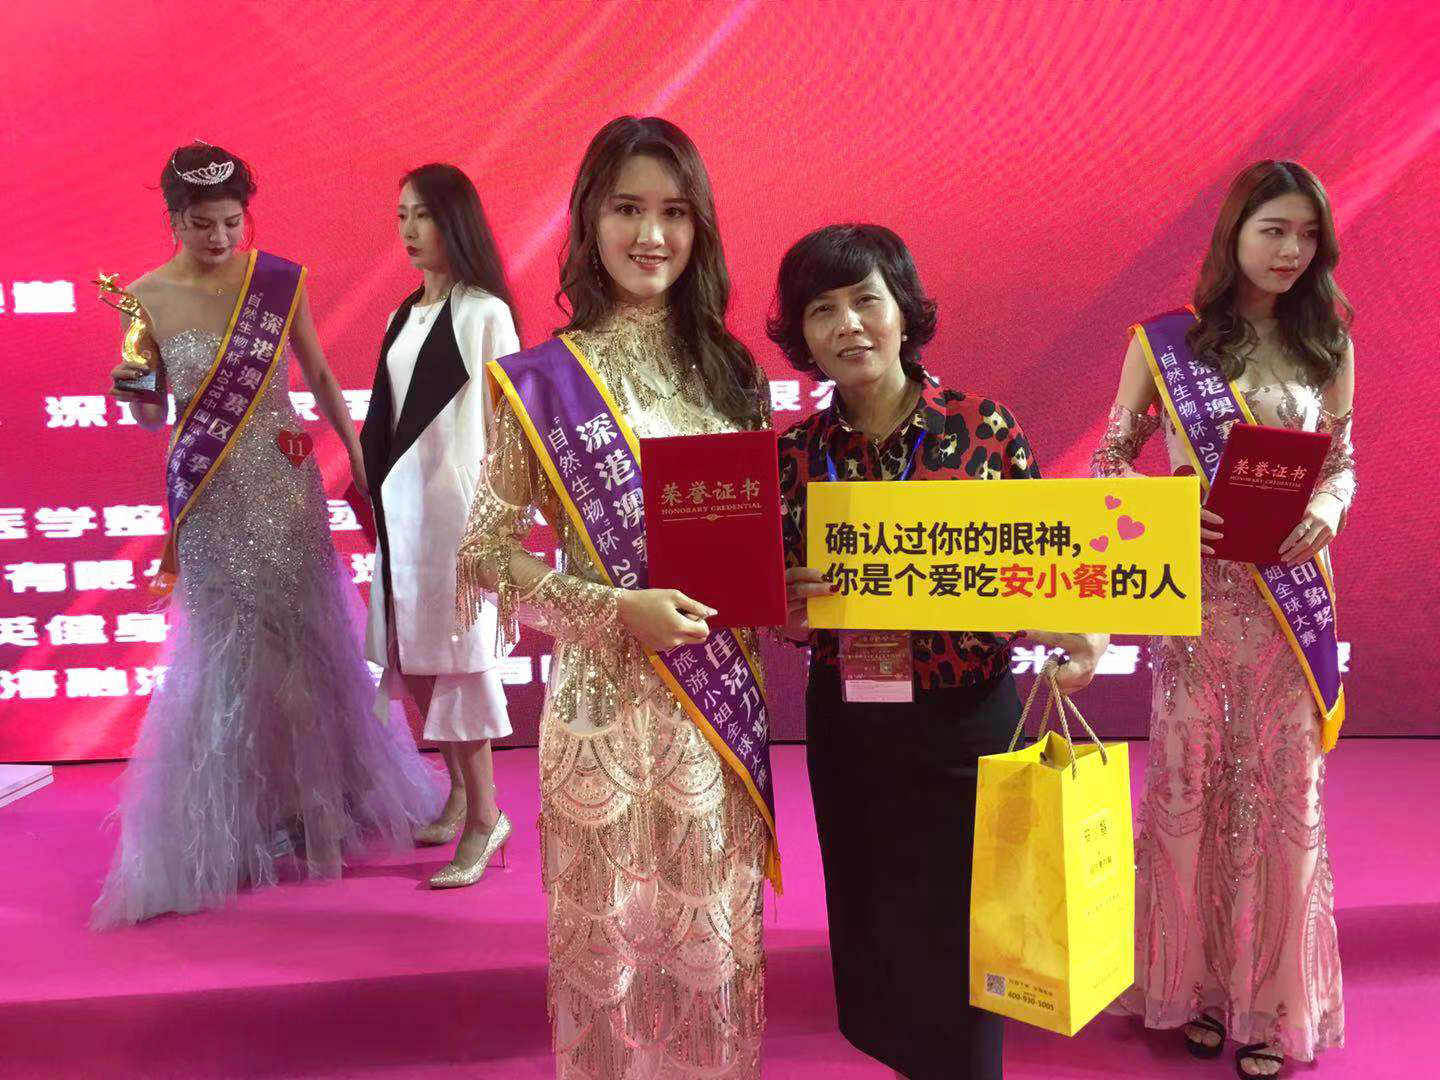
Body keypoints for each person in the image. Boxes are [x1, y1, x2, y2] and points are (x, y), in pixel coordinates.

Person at [456, 116, 776, 1077]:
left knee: (712, 943)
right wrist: (612, 609)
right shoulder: (540, 382)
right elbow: (486, 552)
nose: (652, 236)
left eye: (674, 213)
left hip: (709, 709)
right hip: (599, 709)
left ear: (699, 226)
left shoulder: (732, 372)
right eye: (628, 209)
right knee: (612, 954)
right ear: (590, 221)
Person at [771, 223, 1109, 1080]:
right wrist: (788, 611)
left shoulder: (981, 428)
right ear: (802, 333)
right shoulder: (795, 456)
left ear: (904, 313)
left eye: (866, 301)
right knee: (876, 924)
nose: (848, 325)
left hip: (968, 723)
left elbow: (1042, 566)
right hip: (851, 726)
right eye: (822, 309)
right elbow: (779, 605)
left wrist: (1082, 631)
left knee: (971, 929)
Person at [93, 142, 441, 928]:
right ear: (173, 219)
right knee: (228, 659)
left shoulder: (277, 281)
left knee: (307, 646)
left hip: (285, 490)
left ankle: (321, 807)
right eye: (202, 225)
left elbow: (317, 375)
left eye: (231, 222)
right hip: (211, 500)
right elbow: (150, 417)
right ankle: (235, 823)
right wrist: (133, 383)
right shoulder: (143, 299)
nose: (220, 238)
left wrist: (360, 460)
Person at [1092, 160, 1355, 1078]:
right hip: (1199, 604)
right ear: (1234, 233)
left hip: (1289, 602)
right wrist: (1167, 511)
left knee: (1284, 797)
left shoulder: (1328, 342)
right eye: (1273, 229)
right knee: (1190, 790)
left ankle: (1273, 1007)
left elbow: (1341, 459)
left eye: (1307, 235)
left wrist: (1330, 507)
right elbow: (1110, 463)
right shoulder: (1167, 343)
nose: (1291, 251)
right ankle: (1197, 991)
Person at [360, 164, 520, 888]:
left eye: (422, 215)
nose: (409, 230)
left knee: (462, 664)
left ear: (455, 220)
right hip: (405, 515)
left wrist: (497, 522)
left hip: (459, 518)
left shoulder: (484, 312)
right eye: (401, 215)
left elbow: (509, 428)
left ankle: (487, 817)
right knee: (416, 657)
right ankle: (459, 795)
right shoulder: (404, 313)